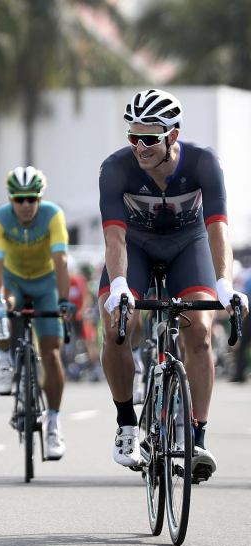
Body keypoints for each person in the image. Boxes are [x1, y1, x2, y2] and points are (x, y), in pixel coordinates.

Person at [98, 88, 248, 480]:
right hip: (135, 245)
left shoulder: (203, 162)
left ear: (172, 136)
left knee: (199, 332)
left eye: (150, 137)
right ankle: (127, 423)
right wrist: (118, 286)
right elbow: (114, 237)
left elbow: (218, 229)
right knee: (117, 325)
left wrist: (224, 284)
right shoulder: (115, 168)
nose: (140, 146)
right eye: (133, 136)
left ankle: (197, 436)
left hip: (189, 244)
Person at [0, 166, 71, 460]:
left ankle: (53, 422)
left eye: (31, 199)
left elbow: (60, 259)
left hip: (46, 283)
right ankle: (6, 360)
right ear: (11, 199)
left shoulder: (52, 215)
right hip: (13, 282)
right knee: (1, 308)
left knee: (51, 354)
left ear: (40, 198)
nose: (25, 205)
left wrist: (63, 300)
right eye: (19, 199)